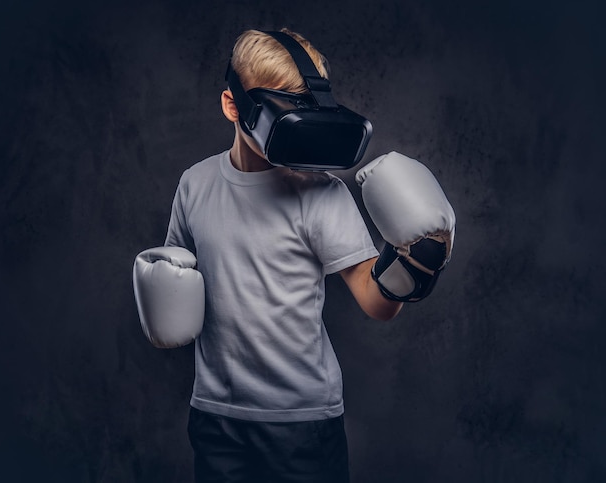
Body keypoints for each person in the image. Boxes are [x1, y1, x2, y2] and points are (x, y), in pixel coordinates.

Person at [133, 26, 455, 483]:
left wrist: (416, 262)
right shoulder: (194, 184)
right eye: (280, 107)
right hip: (216, 414)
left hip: (303, 419)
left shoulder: (320, 192)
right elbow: (176, 274)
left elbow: (376, 303)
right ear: (233, 105)